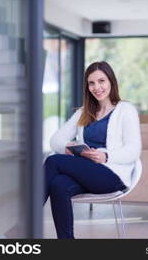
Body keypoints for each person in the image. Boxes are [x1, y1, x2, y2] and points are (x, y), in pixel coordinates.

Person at [44, 61, 142, 239]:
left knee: (52, 161)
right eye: (91, 83)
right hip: (86, 172)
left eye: (101, 81)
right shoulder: (84, 112)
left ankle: (24, 224)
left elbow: (133, 151)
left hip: (111, 175)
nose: (97, 87)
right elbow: (55, 140)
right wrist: (68, 146)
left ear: (111, 81)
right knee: (58, 185)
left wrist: (105, 156)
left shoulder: (125, 110)